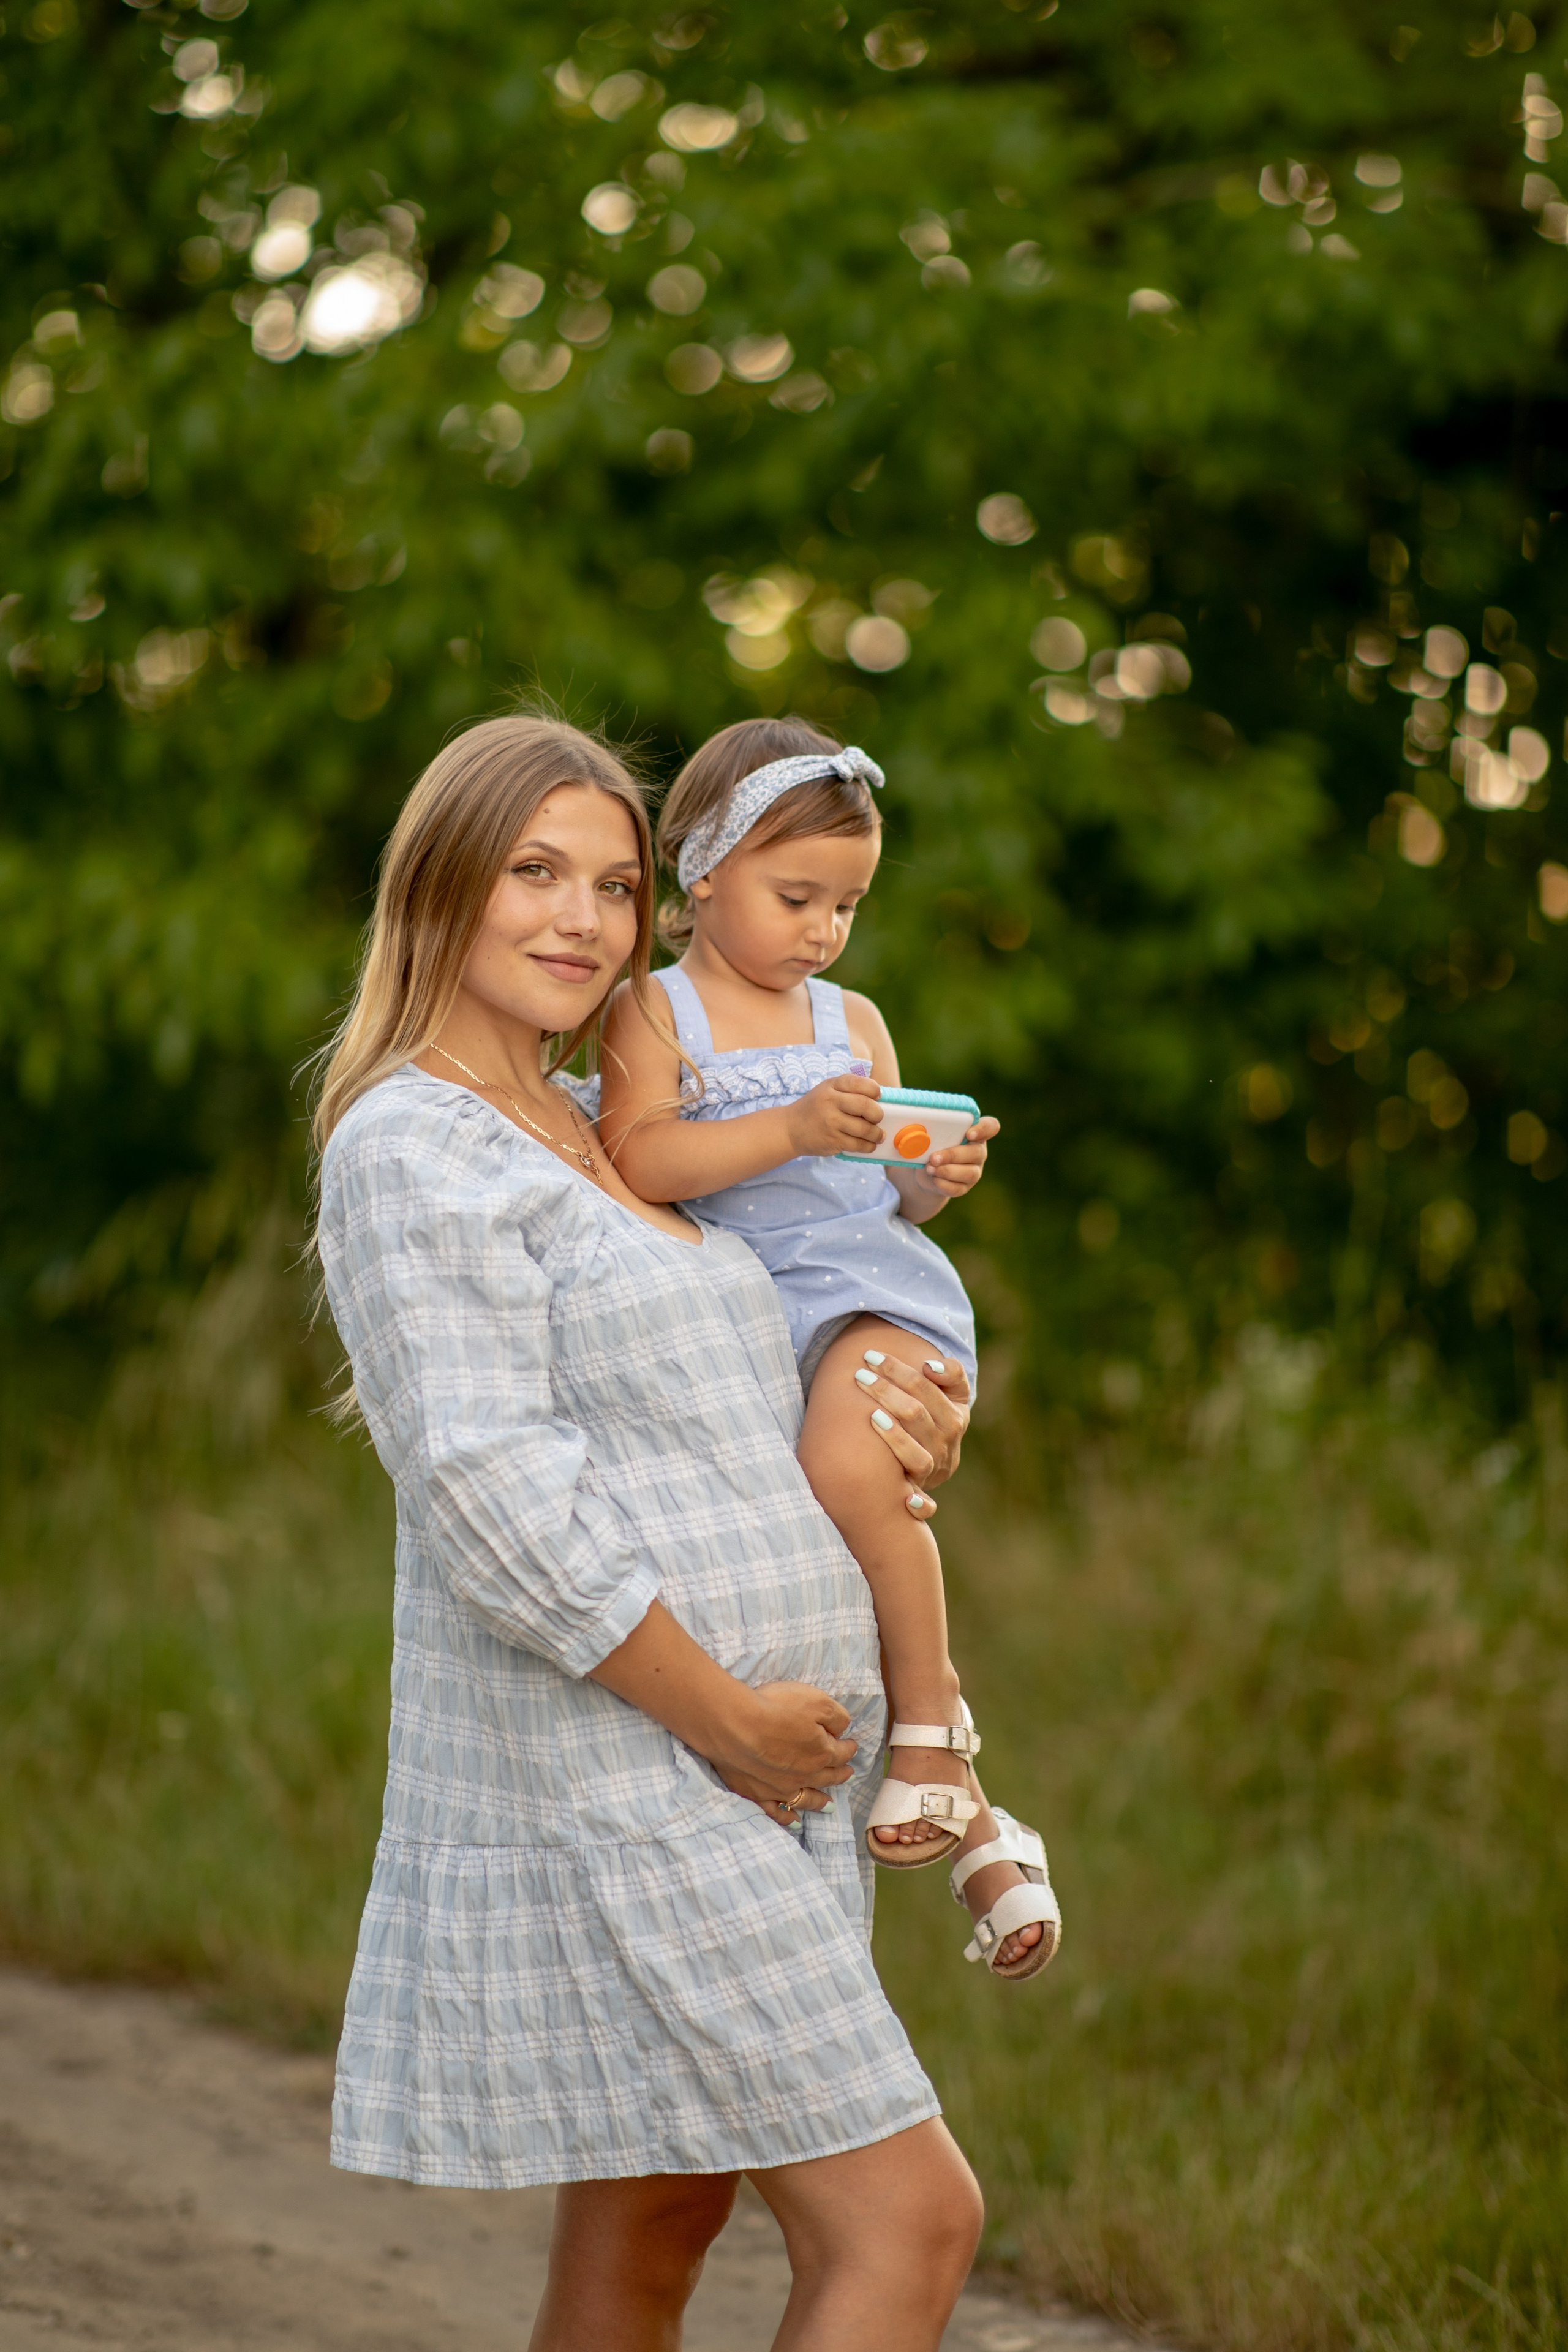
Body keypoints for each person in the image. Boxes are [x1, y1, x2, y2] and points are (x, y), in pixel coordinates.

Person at [311, 712, 984, 2351]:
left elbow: (724, 1398)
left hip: (763, 1775)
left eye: (611, 885)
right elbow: (490, 1489)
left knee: (660, 2209)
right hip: (639, 1763)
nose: (581, 920)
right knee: (909, 2222)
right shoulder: (413, 1142)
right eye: (534, 874)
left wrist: (905, 1410)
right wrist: (728, 1718)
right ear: (438, 889)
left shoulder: (598, 1122)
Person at [600, 718, 1061, 1982]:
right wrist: (791, 1128)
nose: (822, 930)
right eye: (794, 895)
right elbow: (641, 1153)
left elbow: (880, 1201)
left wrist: (933, 1178)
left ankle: (932, 1731)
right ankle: (974, 1825)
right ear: (702, 871)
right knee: (796, 1552)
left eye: (845, 905)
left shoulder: (851, 1020)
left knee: (859, 1480)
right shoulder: (657, 1011)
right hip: (757, 1315)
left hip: (861, 1293)